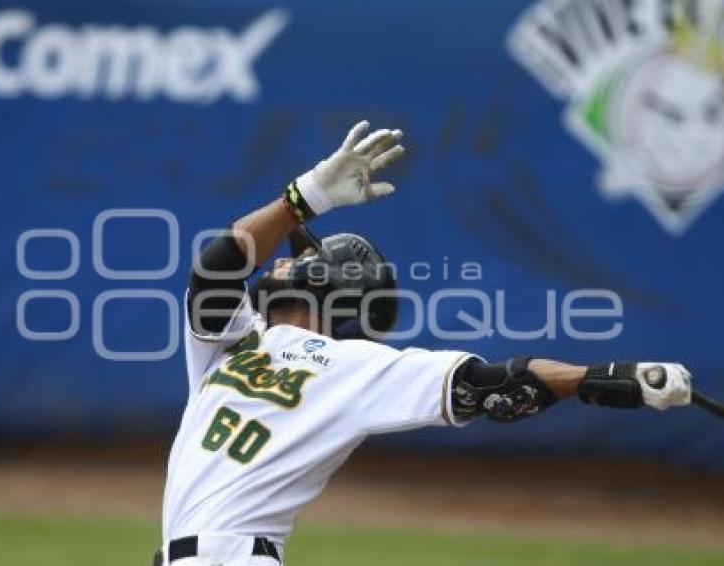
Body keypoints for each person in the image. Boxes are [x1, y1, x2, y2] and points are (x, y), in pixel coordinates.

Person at [155, 121, 692, 565]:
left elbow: (490, 384)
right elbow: (218, 265)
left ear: (331, 282)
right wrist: (306, 197)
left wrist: (606, 378)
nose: (283, 258)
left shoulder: (355, 366)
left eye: (301, 253)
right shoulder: (228, 339)